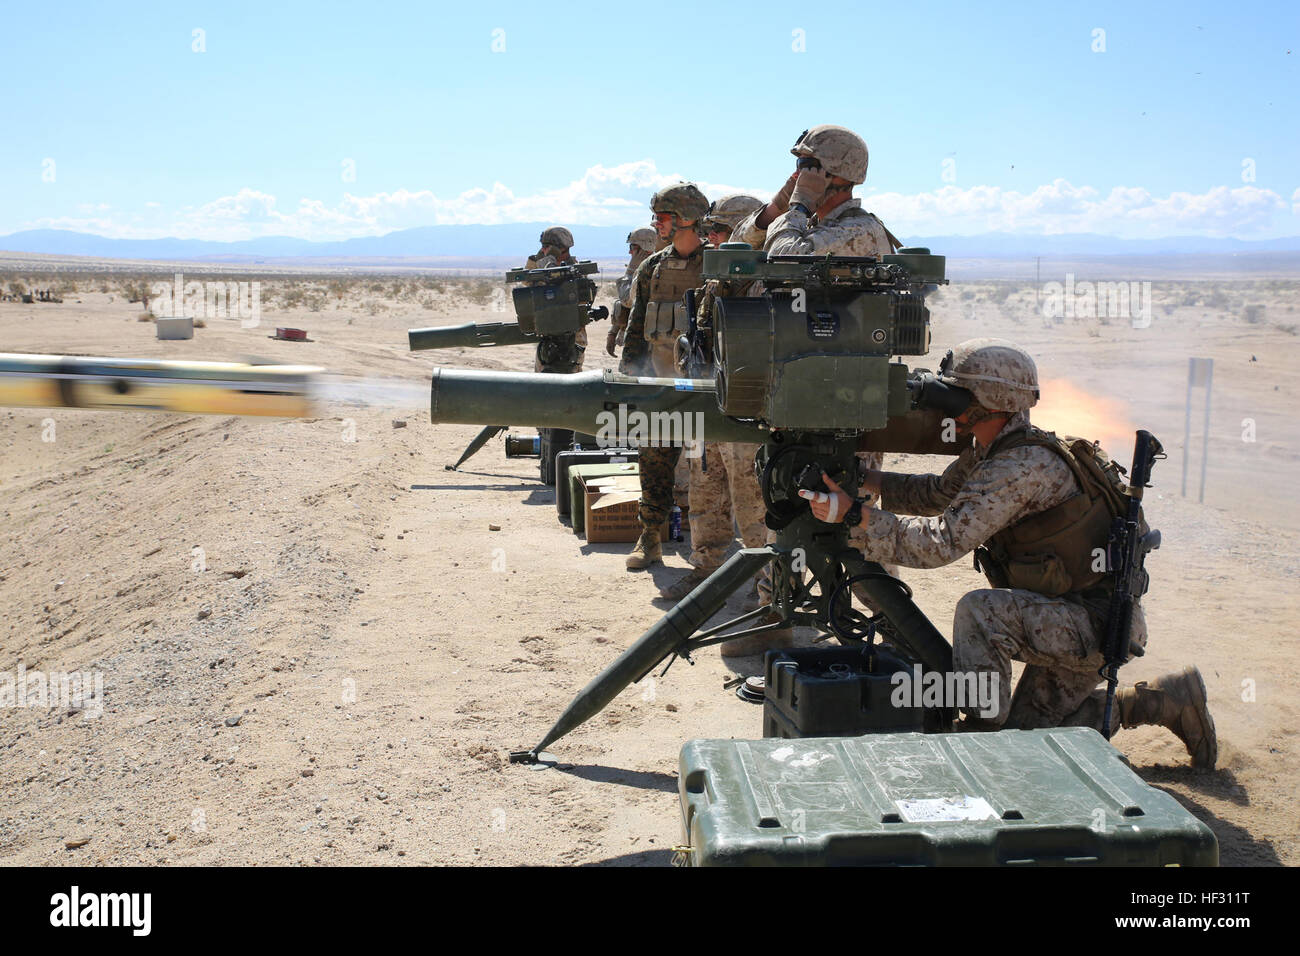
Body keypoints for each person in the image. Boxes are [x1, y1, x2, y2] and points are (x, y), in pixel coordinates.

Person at [800, 337, 1217, 769]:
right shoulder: (995, 448)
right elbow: (938, 494)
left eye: (957, 393)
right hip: (1062, 611)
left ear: (989, 401)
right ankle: (1161, 701)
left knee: (982, 613)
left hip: (1091, 626)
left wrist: (856, 519)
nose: (946, 403)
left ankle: (982, 735)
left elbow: (940, 544)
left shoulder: (1019, 468)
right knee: (1028, 744)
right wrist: (869, 479)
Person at [658, 194, 769, 616]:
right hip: (710, 402)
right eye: (710, 232)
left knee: (753, 507)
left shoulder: (768, 283)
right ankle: (706, 572)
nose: (712, 239)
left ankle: (768, 593)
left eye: (720, 231)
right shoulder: (718, 281)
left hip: (747, 413)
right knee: (705, 493)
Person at [621, 182, 711, 570]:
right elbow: (637, 327)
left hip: (706, 392)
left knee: (707, 475)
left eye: (663, 217)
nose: (656, 224)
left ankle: (708, 555)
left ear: (686, 219)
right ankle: (650, 538)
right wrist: (629, 379)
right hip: (659, 387)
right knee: (653, 465)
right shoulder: (651, 268)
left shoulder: (717, 266)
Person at [526, 226, 586, 374]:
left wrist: (549, 266)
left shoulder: (575, 271)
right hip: (547, 339)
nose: (542, 250)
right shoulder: (541, 267)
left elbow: (565, 293)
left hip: (572, 341)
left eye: (546, 247)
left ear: (559, 249)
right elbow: (527, 283)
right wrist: (544, 263)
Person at [608, 227, 658, 362]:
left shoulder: (646, 270)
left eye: (633, 247)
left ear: (644, 248)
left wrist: (630, 271)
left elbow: (626, 300)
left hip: (644, 342)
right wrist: (613, 332)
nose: (630, 251)